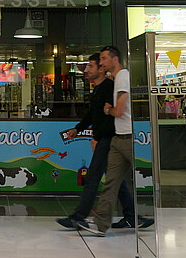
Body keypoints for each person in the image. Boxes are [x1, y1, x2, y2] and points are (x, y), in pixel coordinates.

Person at [56, 53, 141, 231]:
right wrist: (78, 128)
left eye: (91, 66)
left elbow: (110, 117)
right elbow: (94, 114)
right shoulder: (99, 88)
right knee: (114, 180)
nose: (87, 70)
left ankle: (79, 217)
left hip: (108, 139)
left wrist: (97, 137)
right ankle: (132, 216)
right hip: (106, 138)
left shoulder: (109, 87)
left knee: (93, 177)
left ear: (101, 69)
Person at [80, 45, 152, 236]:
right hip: (118, 139)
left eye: (104, 58)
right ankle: (101, 225)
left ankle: (140, 216)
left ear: (115, 59)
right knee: (111, 184)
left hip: (127, 138)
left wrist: (107, 110)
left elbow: (118, 111)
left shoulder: (122, 77)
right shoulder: (116, 79)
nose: (102, 62)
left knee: (144, 175)